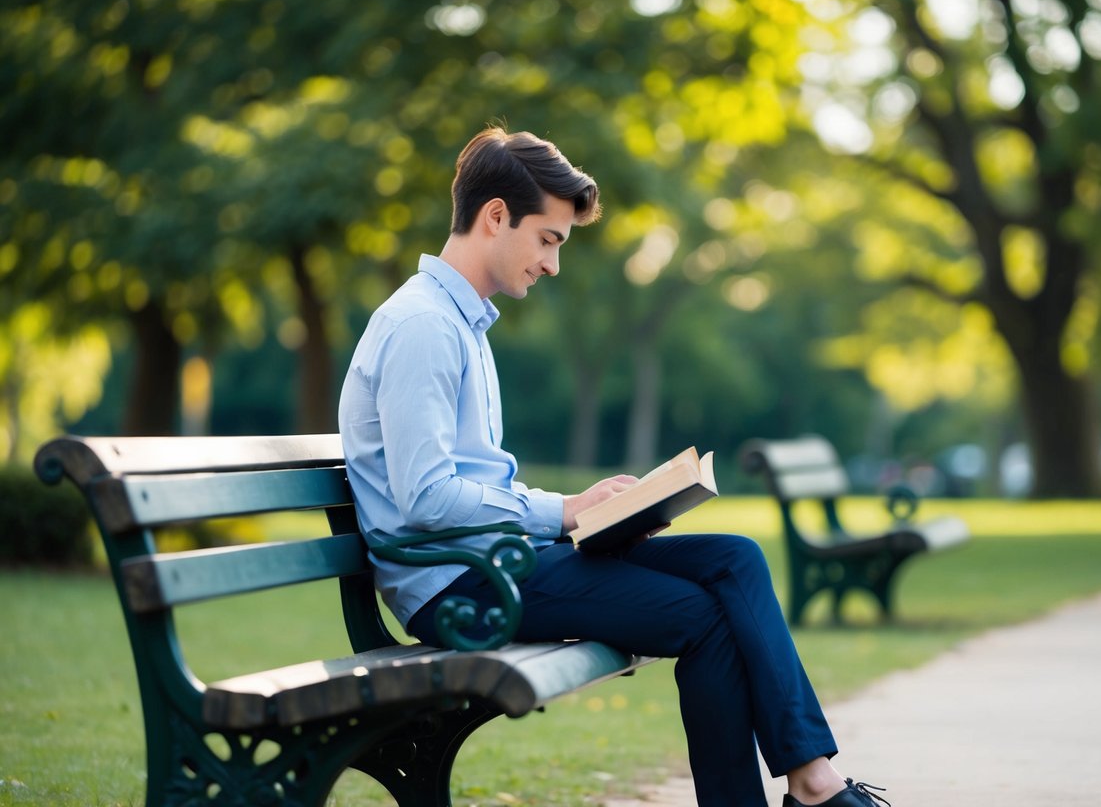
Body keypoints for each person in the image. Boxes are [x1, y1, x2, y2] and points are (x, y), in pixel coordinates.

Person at [338, 126, 889, 807]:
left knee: (736, 559)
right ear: (495, 217)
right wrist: (564, 512)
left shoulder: (460, 323)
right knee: (708, 617)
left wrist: (594, 510)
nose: (552, 264)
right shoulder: (423, 326)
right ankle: (814, 791)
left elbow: (473, 486)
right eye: (549, 240)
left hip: (497, 563)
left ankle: (814, 779)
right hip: (462, 587)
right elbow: (426, 500)